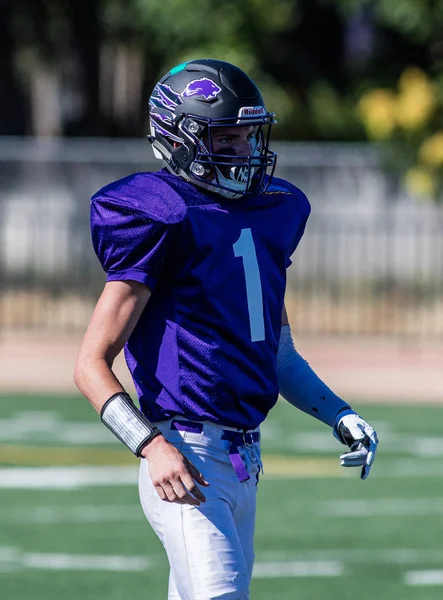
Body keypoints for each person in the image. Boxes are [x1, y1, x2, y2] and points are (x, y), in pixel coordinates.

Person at [74, 58, 379, 600]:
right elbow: (90, 365)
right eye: (227, 139)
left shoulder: (271, 214)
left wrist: (340, 413)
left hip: (243, 464)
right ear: (181, 140)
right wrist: (150, 445)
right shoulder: (161, 213)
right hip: (185, 455)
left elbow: (280, 358)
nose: (244, 153)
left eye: (248, 138)